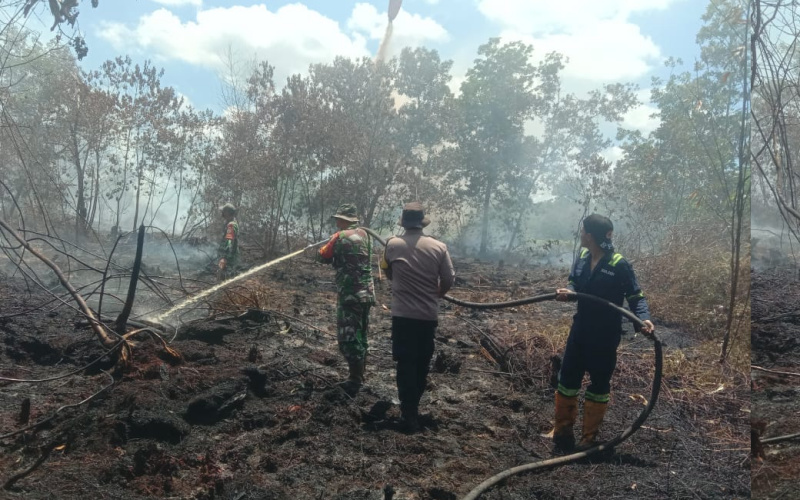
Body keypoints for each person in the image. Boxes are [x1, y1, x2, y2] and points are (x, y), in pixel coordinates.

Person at [552, 214, 655, 452]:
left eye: (583, 232)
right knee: (567, 379)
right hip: (580, 329)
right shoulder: (583, 257)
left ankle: (589, 439)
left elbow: (635, 296)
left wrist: (644, 319)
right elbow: (574, 283)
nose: (580, 235)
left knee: (599, 383)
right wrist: (568, 291)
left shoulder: (619, 264)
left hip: (605, 334)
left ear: (590, 235)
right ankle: (562, 433)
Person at [380, 202, 455, 433]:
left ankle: (408, 410)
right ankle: (412, 408)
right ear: (422, 223)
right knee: (422, 362)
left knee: (405, 363)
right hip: (427, 316)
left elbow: (387, 270)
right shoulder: (439, 247)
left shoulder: (392, 245)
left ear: (403, 222)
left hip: (402, 316)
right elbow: (449, 278)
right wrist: (437, 294)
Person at [317, 203, 375, 394]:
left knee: (348, 337)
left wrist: (318, 251)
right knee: (361, 334)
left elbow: (324, 255)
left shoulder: (339, 237)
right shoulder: (366, 235)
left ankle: (355, 380)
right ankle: (359, 376)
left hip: (350, 294)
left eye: (338, 219)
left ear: (344, 220)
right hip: (366, 293)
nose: (336, 222)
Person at [217, 203, 240, 281]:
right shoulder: (230, 223)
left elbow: (230, 243)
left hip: (229, 259)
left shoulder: (231, 225)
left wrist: (224, 258)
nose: (222, 214)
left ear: (227, 213)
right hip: (228, 258)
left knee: (225, 279)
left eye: (223, 212)